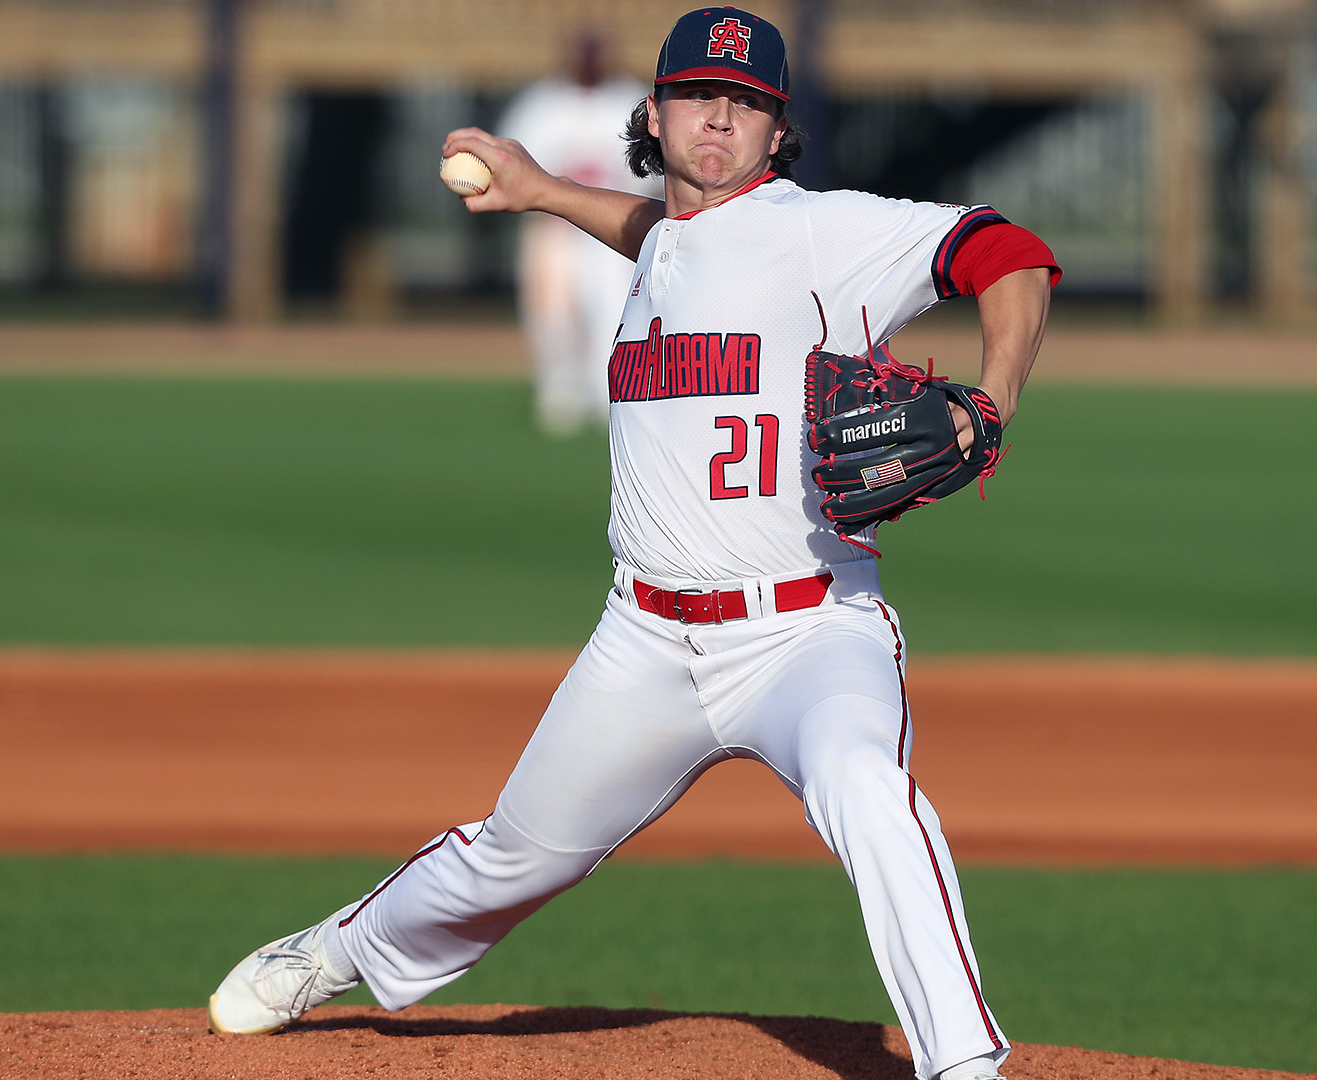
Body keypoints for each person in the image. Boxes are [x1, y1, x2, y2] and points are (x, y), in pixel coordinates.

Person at [208, 10, 1058, 1080]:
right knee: (510, 859)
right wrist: (541, 190)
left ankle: (964, 1068)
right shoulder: (665, 239)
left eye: (748, 104)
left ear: (778, 132)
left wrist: (989, 400)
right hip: (643, 644)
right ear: (654, 111)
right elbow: (663, 238)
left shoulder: (823, 231)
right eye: (701, 94)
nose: (721, 117)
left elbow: (1010, 253)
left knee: (865, 787)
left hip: (807, 632)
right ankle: (328, 954)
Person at [498, 32, 660, 436]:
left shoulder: (627, 99)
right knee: (550, 312)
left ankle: (608, 391)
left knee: (614, 312)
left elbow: (649, 175)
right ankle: (558, 389)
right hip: (555, 229)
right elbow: (515, 162)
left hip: (612, 225)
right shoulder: (543, 104)